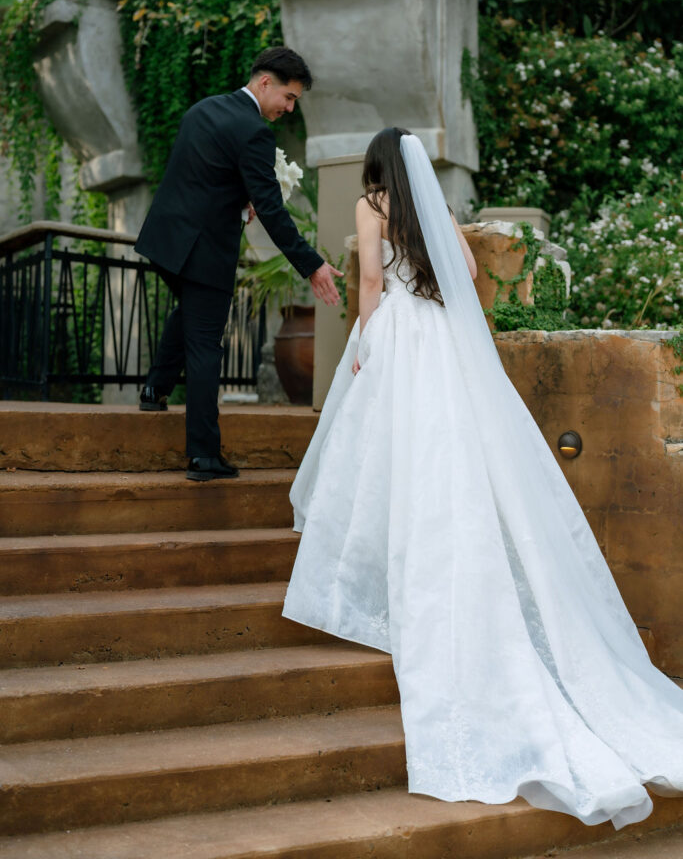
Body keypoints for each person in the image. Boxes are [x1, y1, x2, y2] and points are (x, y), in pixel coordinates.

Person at [282, 127, 683, 829]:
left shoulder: (370, 205)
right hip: (441, 337)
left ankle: (386, 566)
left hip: (399, 334)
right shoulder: (428, 209)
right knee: (451, 454)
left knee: (388, 457)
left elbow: (369, 282)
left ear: (376, 168)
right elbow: (464, 274)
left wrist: (367, 343)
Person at [135, 46, 342, 481]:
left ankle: (155, 386)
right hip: (205, 251)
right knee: (206, 345)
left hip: (165, 242)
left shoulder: (203, 110)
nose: (289, 108)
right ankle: (204, 456)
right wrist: (312, 264)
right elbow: (271, 209)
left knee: (191, 315)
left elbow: (202, 175)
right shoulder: (253, 130)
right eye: (288, 97)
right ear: (265, 83)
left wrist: (237, 195)